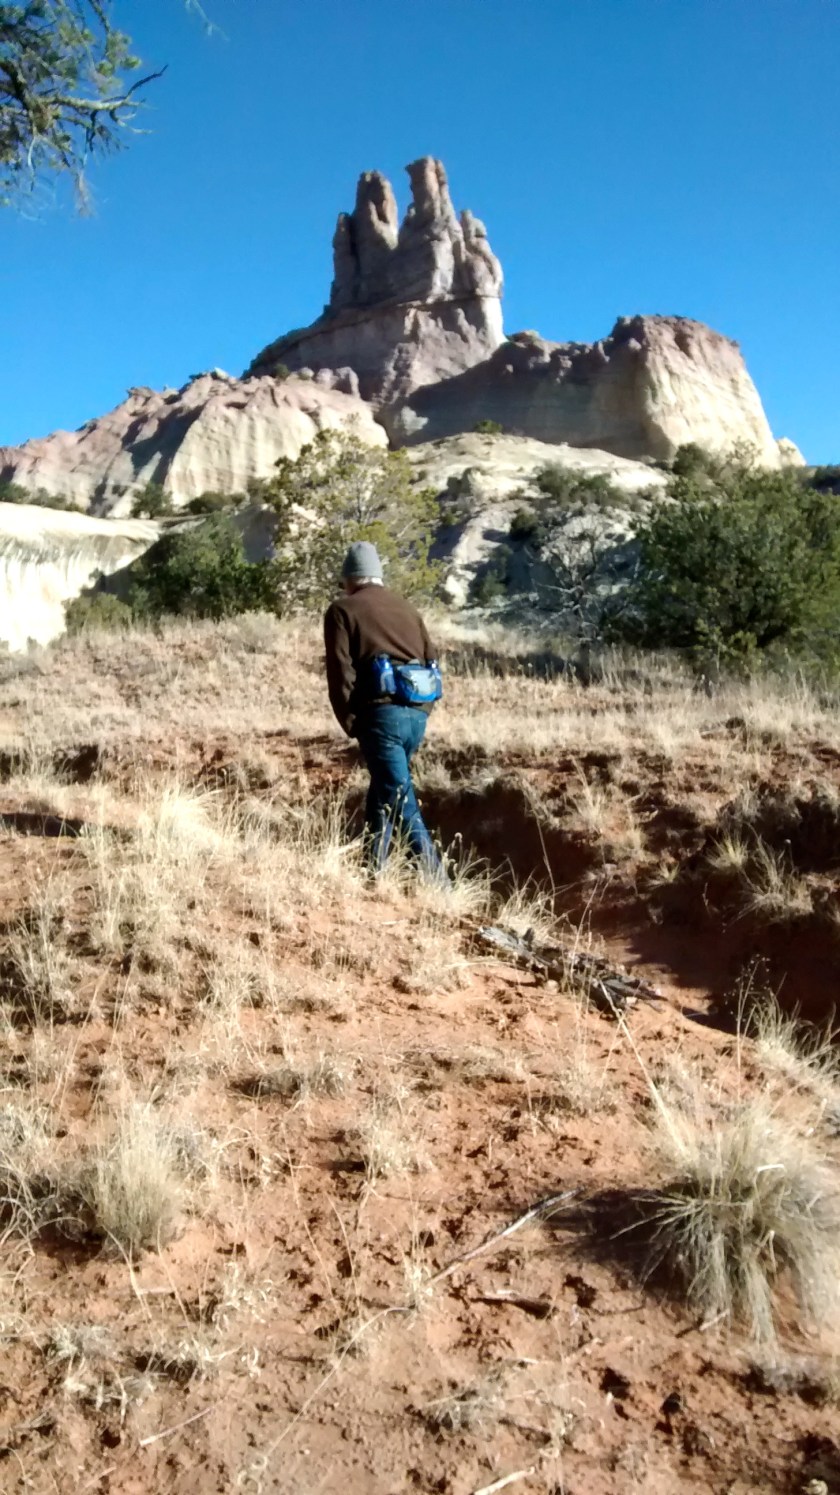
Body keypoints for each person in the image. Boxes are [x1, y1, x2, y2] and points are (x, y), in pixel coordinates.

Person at [323, 541, 446, 881]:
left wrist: (351, 721)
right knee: (383, 790)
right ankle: (373, 870)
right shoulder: (408, 609)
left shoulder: (342, 610)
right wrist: (424, 709)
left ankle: (440, 885)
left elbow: (340, 672)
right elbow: (431, 659)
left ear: (350, 579)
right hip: (417, 714)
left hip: (381, 717)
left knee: (401, 800)